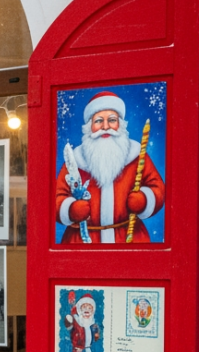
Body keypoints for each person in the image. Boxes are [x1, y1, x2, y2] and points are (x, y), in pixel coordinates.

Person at [56, 91, 165, 244]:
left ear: (120, 124)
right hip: (83, 242)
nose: (105, 127)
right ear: (90, 127)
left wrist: (144, 200)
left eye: (112, 120)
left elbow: (157, 188)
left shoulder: (136, 155)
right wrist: (70, 209)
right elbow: (56, 197)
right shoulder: (75, 160)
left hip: (129, 238)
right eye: (99, 121)